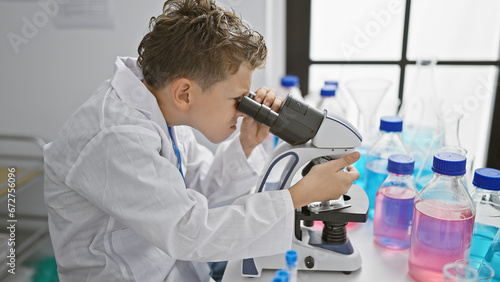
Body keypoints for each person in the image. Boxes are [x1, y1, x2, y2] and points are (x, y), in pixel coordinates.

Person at [43, 0, 361, 281]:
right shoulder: (115, 136)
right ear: (185, 93)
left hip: (177, 267)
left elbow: (199, 188)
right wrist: (297, 196)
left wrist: (246, 144)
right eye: (237, 98)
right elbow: (191, 231)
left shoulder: (161, 104)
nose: (243, 108)